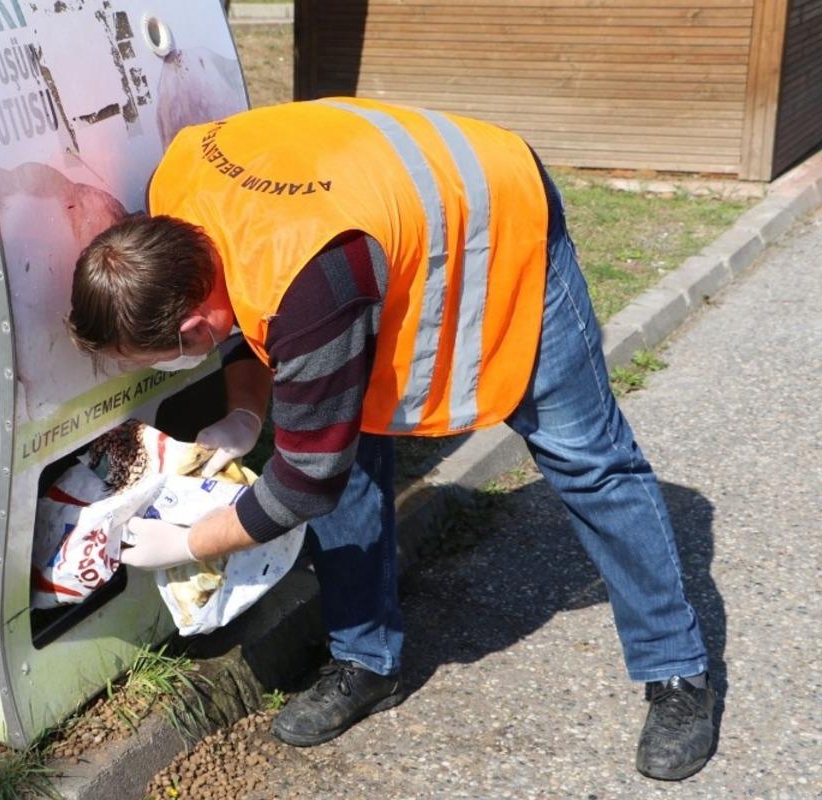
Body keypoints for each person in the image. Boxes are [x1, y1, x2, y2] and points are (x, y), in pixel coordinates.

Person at [67, 98, 717, 781]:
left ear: (191, 327)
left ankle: (679, 674)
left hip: (499, 212)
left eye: (165, 359)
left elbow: (306, 481)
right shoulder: (173, 195)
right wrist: (246, 417)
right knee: (348, 447)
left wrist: (192, 544)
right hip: (374, 227)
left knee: (587, 459)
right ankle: (365, 662)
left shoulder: (305, 282)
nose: (172, 368)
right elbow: (244, 311)